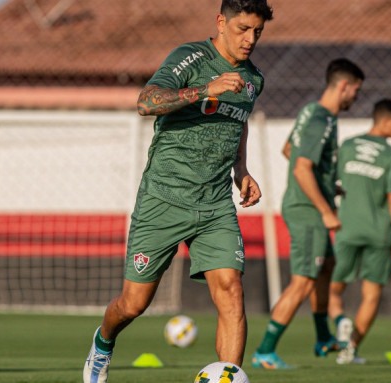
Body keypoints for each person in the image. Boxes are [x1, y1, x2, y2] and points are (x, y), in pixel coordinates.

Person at [83, 1, 273, 382]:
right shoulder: (191, 58)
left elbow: (239, 122)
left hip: (216, 204)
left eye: (257, 31)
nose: (250, 39)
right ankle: (103, 344)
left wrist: (241, 169)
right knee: (133, 304)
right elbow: (146, 102)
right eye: (242, 29)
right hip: (163, 198)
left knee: (231, 292)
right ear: (221, 22)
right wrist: (205, 88)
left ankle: (228, 377)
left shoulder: (254, 79)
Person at [251, 58, 364, 369]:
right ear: (344, 86)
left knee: (326, 266)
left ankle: (323, 337)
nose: (356, 96)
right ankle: (264, 351)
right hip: (308, 211)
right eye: (356, 90)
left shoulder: (310, 112)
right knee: (302, 281)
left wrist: (328, 186)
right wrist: (326, 209)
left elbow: (290, 149)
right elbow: (301, 167)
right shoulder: (322, 119)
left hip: (309, 204)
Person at [329, 98, 391, 365]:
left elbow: (332, 184)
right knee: (372, 294)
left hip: (347, 228)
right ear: (385, 120)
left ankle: (341, 322)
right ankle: (350, 349)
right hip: (379, 232)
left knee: (333, 289)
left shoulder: (348, 146)